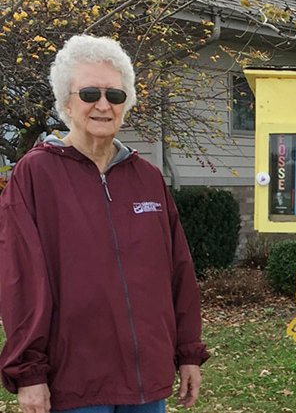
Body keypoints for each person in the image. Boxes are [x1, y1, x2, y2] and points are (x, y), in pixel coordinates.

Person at [0, 34, 210, 413]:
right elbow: (21, 279)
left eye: (115, 95)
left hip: (146, 380)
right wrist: (29, 373)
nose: (103, 105)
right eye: (89, 93)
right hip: (76, 381)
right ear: (66, 101)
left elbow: (178, 269)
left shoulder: (146, 176)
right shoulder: (35, 175)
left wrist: (188, 351)